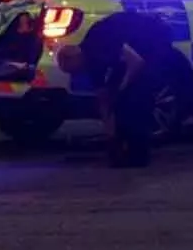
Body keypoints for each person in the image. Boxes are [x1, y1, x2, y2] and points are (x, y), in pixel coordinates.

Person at [56, 11, 168, 168]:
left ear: (76, 57)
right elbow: (103, 98)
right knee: (120, 100)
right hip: (135, 50)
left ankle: (140, 155)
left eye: (76, 70)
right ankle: (125, 149)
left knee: (137, 99)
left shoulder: (99, 41)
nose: (78, 74)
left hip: (153, 40)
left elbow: (137, 62)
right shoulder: (90, 64)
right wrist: (110, 132)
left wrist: (123, 88)